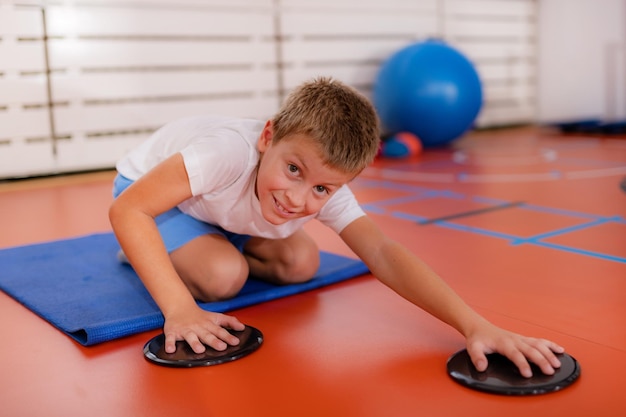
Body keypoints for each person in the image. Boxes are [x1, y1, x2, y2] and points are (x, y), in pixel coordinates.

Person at [109, 77, 564, 377]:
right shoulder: (224, 153)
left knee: (301, 261)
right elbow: (129, 210)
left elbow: (382, 252)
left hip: (220, 208)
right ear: (268, 137)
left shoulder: (320, 179)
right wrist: (179, 308)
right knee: (222, 276)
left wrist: (474, 325)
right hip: (150, 194)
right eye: (292, 170)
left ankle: (205, 244)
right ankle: (144, 251)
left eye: (322, 191)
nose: (300, 199)